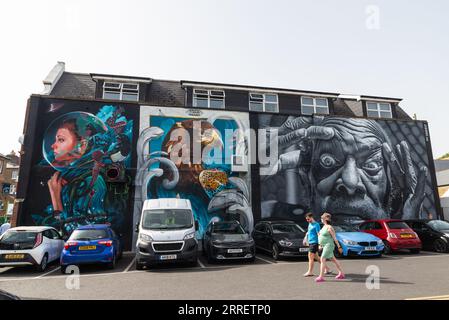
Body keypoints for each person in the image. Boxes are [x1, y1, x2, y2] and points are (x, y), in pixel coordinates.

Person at [315, 213, 345, 283]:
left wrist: (339, 246)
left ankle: (321, 277)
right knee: (333, 259)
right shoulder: (324, 226)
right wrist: (320, 245)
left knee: (322, 258)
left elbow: (334, 238)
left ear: (325, 219)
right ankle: (341, 274)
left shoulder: (329, 227)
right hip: (325, 245)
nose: (321, 219)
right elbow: (322, 237)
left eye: (322, 218)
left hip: (329, 245)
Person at [303, 212, 330, 277]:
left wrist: (320, 244)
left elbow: (319, 234)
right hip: (310, 242)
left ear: (312, 217)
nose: (307, 220)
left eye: (308, 219)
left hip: (314, 243)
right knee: (317, 257)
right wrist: (305, 239)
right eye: (306, 219)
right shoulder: (310, 224)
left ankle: (310, 272)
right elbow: (308, 232)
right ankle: (327, 268)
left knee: (310, 256)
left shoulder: (316, 224)